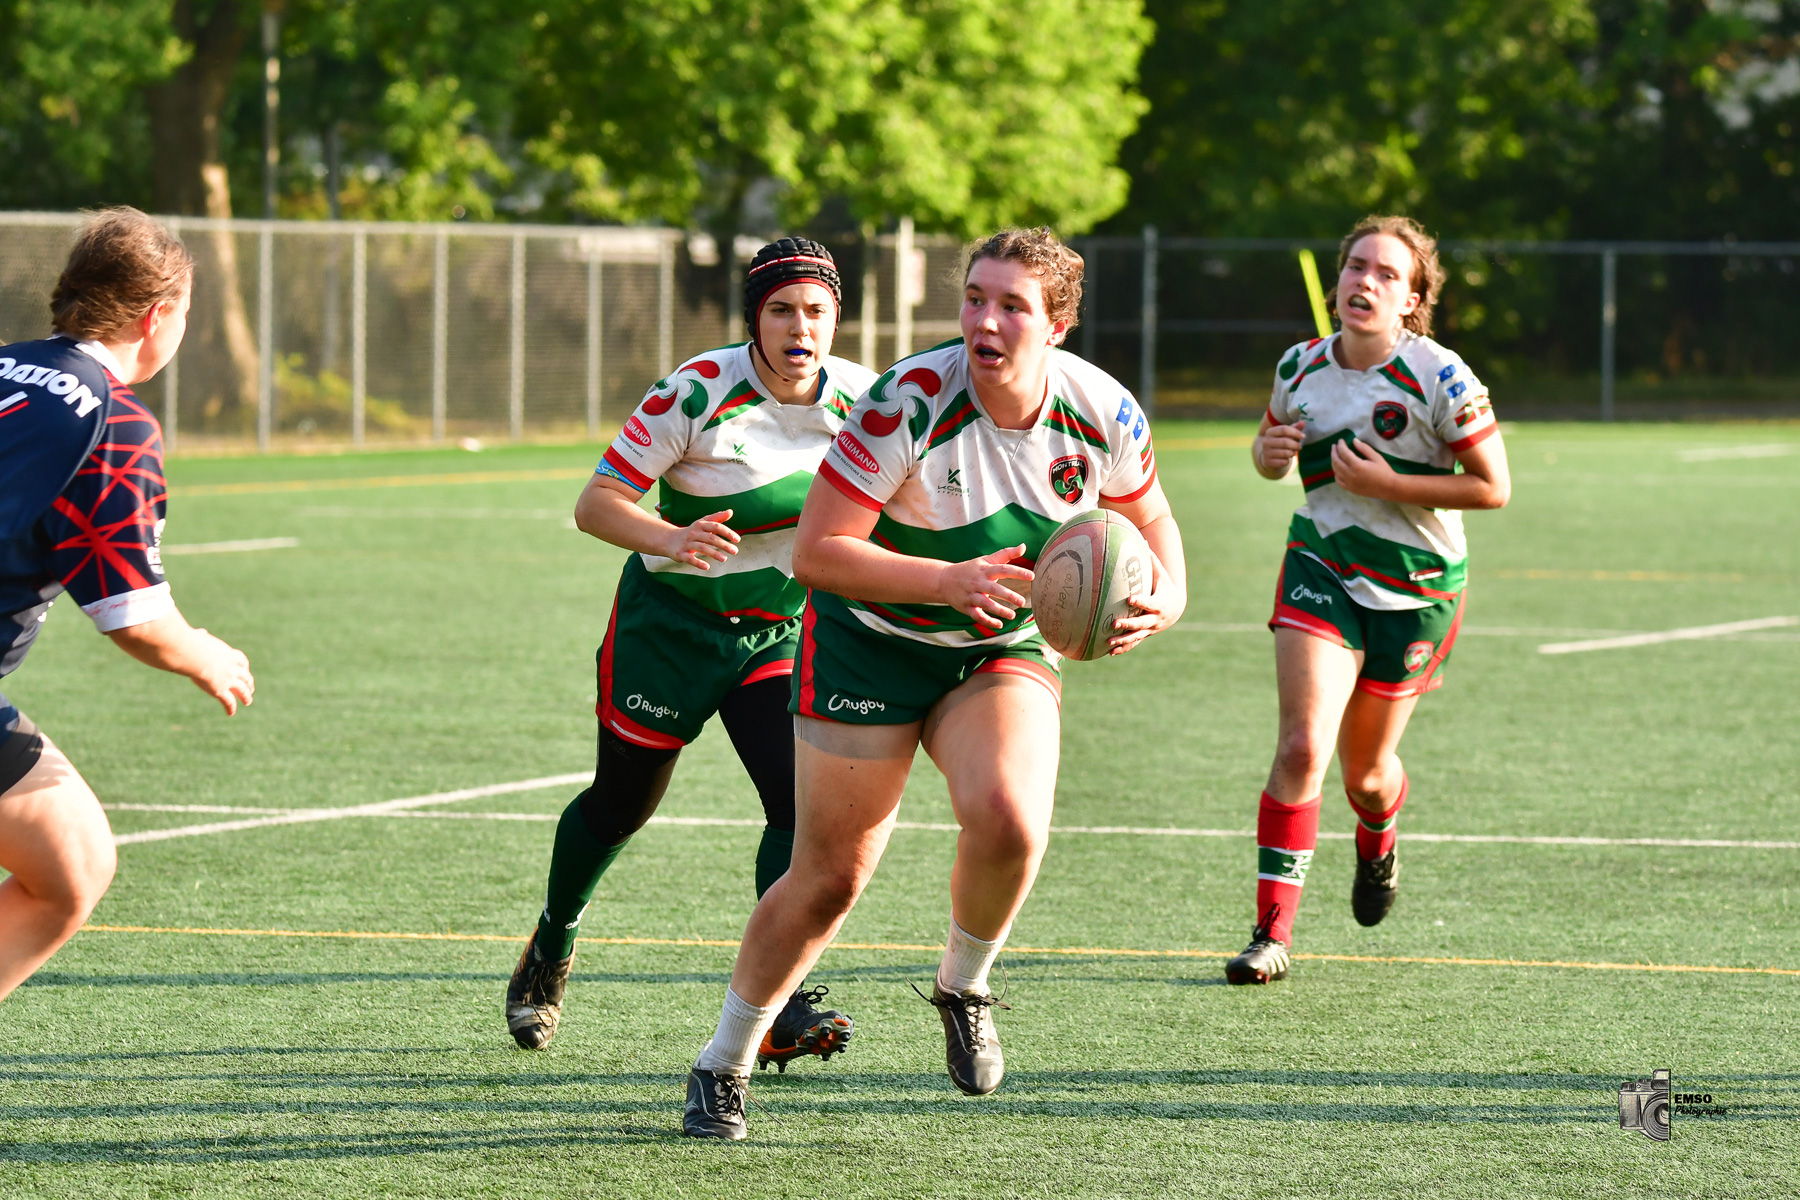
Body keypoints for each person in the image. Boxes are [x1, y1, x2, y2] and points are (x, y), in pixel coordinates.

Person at [680, 227, 1187, 1140]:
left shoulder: (1104, 411)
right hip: (872, 639)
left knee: (1010, 817)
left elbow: (1150, 517)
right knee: (829, 878)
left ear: (1058, 325)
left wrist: (1171, 597)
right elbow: (817, 552)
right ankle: (724, 1059)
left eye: (1012, 306)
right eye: (975, 299)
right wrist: (945, 581)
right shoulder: (905, 402)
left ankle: (964, 984)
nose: (984, 321)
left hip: (999, 645)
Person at [506, 239, 879, 1069]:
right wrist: (673, 537)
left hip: (776, 634)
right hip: (669, 629)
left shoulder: (866, 399)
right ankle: (550, 945)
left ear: (836, 320)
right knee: (620, 805)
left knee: (800, 807)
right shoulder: (697, 390)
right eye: (781, 310)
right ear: (754, 318)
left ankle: (780, 1003)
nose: (800, 327)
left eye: (816, 311)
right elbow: (595, 504)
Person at [1224, 215, 1510, 986]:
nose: (1364, 282)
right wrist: (1267, 452)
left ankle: (1378, 836)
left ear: (1413, 300)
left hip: (1416, 591)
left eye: (1387, 274)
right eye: (1356, 266)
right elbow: (1266, 450)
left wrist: (1388, 484)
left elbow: (1493, 486)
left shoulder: (1441, 376)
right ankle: (1271, 934)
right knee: (1300, 749)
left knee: (1366, 774)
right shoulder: (1300, 365)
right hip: (1322, 564)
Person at [0, 207, 255, 1001]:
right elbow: (131, 615)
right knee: (70, 870)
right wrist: (206, 652)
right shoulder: (111, 419)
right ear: (159, 316)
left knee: (72, 861)